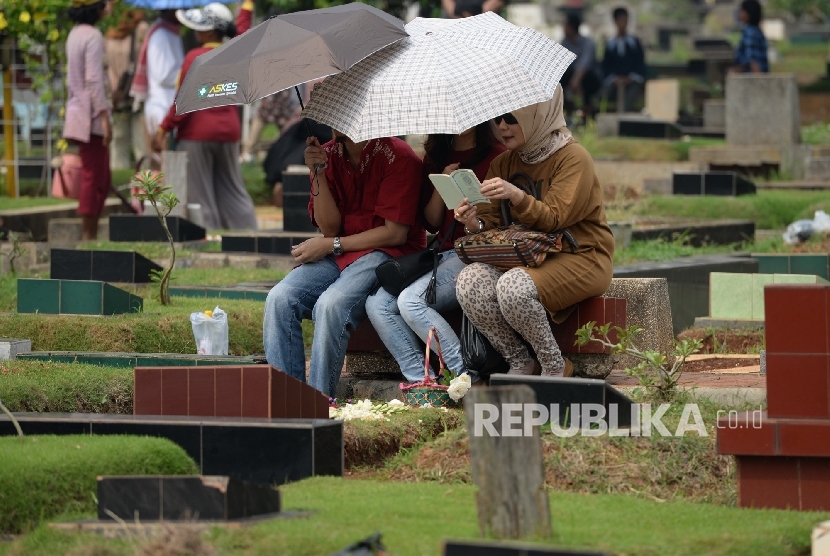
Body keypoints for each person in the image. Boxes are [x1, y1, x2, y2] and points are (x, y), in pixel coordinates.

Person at [453, 85, 614, 377]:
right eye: (498, 117)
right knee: (469, 281)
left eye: (512, 118)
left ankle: (554, 365)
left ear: (537, 115)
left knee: (513, 287)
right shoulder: (504, 162)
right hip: (526, 255)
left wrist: (517, 196)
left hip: (580, 255)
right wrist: (471, 221)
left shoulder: (573, 158)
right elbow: (489, 223)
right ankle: (519, 361)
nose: (502, 126)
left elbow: (555, 217)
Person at [263, 131, 424, 396]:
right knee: (280, 298)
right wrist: (317, 172)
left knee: (331, 305)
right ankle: (286, 401)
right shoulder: (328, 153)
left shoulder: (399, 155)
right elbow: (330, 228)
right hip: (342, 250)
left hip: (389, 252)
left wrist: (330, 245)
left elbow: (395, 233)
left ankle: (319, 401)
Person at [365, 124, 505, 383]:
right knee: (377, 304)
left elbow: (501, 223)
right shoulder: (435, 156)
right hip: (443, 253)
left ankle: (464, 377)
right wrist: (444, 184)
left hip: (477, 255)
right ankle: (424, 382)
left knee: (410, 301)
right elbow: (431, 222)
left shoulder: (498, 155)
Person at [153, 3, 257, 231]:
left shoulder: (194, 56)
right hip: (229, 132)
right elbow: (244, 32)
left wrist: (162, 129)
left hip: (196, 133)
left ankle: (208, 236)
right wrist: (247, 7)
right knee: (232, 189)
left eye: (201, 26)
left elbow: (183, 101)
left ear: (210, 30)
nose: (195, 30)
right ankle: (249, 233)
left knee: (200, 194)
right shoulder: (234, 53)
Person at [64, 0, 112, 241]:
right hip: (91, 116)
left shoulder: (75, 34)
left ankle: (90, 233)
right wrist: (104, 115)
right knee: (95, 177)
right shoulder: (93, 36)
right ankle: (88, 236)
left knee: (100, 176)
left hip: (78, 111)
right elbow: (93, 79)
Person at [131, 9, 184, 155]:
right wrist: (186, 74)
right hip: (160, 108)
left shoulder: (171, 33)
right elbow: (163, 75)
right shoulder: (160, 35)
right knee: (161, 168)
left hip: (170, 107)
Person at [601, 7, 646, 113]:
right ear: (615, 22)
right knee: (604, 95)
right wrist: (615, 78)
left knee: (631, 95)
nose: (623, 24)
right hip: (614, 81)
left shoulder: (634, 43)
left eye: (625, 21)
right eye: (621, 20)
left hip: (632, 80)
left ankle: (625, 115)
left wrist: (630, 77)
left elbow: (640, 63)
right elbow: (606, 66)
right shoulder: (611, 44)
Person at [560, 13, 601, 118]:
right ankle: (564, 111)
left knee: (588, 81)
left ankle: (587, 113)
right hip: (571, 76)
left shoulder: (588, 43)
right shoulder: (565, 43)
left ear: (571, 27)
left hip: (588, 77)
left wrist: (576, 80)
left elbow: (585, 64)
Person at [732, 0, 768, 73]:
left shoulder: (749, 32)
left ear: (748, 14)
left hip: (752, 76)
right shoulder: (757, 31)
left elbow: (752, 60)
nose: (739, 13)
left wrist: (758, 80)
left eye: (742, 11)